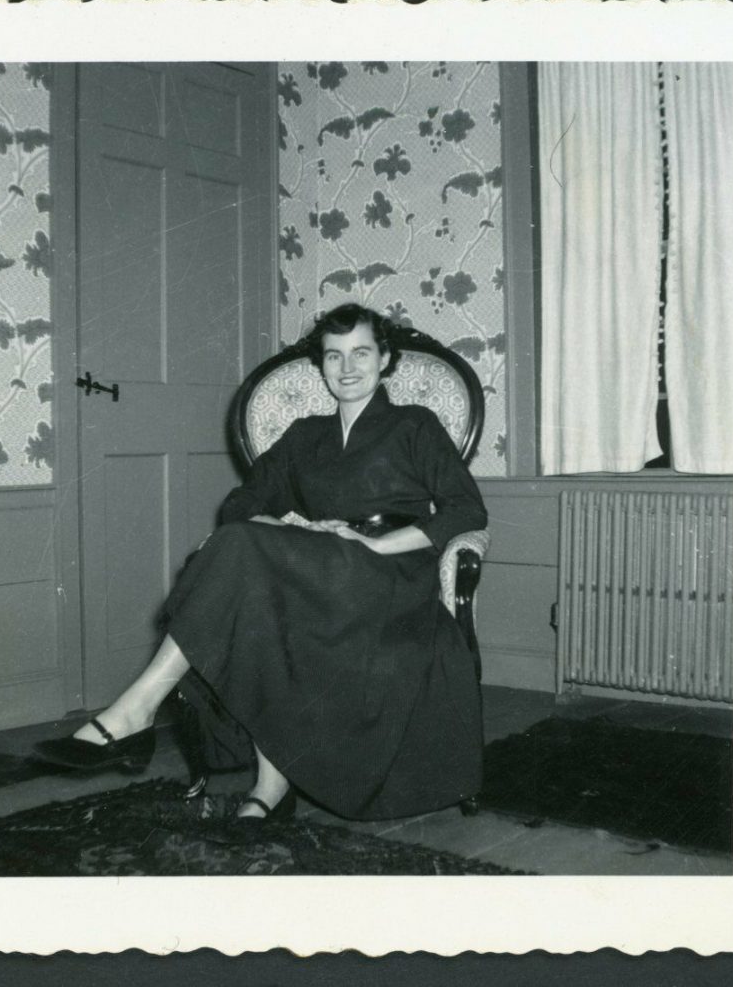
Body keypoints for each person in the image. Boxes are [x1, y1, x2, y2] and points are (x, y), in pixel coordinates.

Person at [36, 303, 488, 822]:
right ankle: (271, 788)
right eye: (332, 356)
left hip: (388, 576)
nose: (346, 368)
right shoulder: (304, 435)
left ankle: (136, 710)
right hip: (321, 565)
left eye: (361, 353)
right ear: (319, 365)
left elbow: (465, 509)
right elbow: (240, 507)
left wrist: (376, 546)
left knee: (240, 556)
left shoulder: (415, 425)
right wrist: (298, 528)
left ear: (385, 360)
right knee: (247, 562)